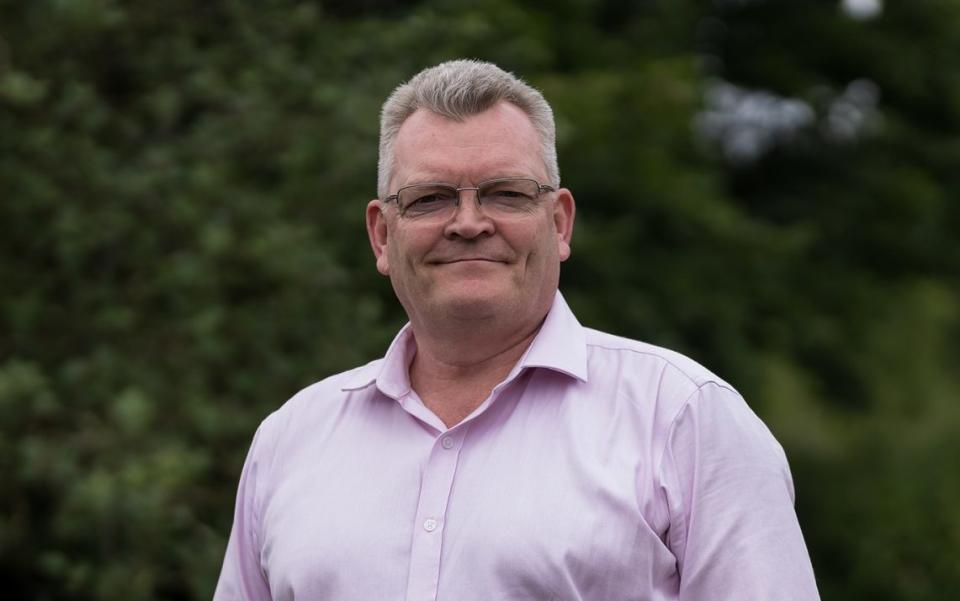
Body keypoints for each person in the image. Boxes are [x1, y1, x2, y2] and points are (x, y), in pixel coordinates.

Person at [214, 59, 821, 601]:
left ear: (559, 223)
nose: (469, 223)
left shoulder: (685, 420)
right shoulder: (292, 440)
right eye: (430, 199)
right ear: (381, 234)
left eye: (506, 194)